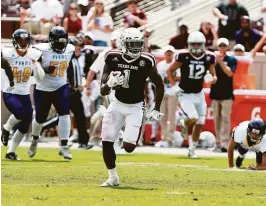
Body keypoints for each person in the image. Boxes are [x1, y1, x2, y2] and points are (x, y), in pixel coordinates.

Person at [99, 28, 164, 186]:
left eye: (138, 44)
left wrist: (156, 108)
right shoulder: (112, 57)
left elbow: (159, 84)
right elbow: (103, 90)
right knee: (106, 141)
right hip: (116, 104)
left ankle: (127, 133)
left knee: (128, 147)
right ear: (123, 43)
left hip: (135, 106)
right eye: (131, 44)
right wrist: (109, 84)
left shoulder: (146, 60)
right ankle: (113, 178)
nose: (135, 47)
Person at [167, 31, 217, 158]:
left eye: (197, 44)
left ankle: (192, 150)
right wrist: (174, 86)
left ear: (203, 44)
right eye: (193, 44)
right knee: (193, 117)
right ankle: (184, 122)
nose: (195, 47)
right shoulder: (183, 55)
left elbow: (214, 75)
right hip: (185, 94)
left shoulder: (209, 57)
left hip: (199, 93)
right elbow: (170, 70)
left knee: (200, 122)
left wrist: (211, 78)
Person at [28, 26, 75, 160]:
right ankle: (35, 140)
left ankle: (64, 146)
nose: (61, 45)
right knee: (40, 118)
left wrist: (71, 82)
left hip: (61, 85)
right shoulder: (39, 50)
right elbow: (30, 70)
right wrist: (44, 69)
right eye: (57, 42)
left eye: (63, 42)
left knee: (65, 114)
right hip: (43, 87)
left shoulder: (70, 49)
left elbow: (70, 65)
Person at [1, 29, 45, 160]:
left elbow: (40, 78)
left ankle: (11, 152)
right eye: (21, 40)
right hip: (10, 91)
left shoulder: (34, 54)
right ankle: (6, 128)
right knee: (20, 114)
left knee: (26, 122)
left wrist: (36, 65)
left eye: (26, 40)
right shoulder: (7, 53)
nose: (24, 43)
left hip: (24, 93)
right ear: (15, 41)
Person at [210, 38, 237, 153]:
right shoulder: (212, 60)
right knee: (217, 119)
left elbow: (230, 73)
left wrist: (220, 62)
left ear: (227, 47)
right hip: (216, 93)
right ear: (217, 46)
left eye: (223, 45)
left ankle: (225, 143)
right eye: (220, 45)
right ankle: (218, 142)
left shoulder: (231, 59)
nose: (221, 47)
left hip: (227, 94)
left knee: (225, 118)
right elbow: (210, 74)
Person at [67, 37, 94, 149]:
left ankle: (83, 141)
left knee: (80, 116)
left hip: (75, 91)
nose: (78, 48)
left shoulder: (74, 59)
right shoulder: (68, 60)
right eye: (76, 46)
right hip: (67, 90)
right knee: (63, 116)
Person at [155, 45, 179, 148]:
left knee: (171, 116)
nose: (169, 55)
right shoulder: (160, 65)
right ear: (164, 54)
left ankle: (170, 139)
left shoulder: (176, 64)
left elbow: (179, 77)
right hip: (162, 92)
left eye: (170, 53)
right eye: (167, 53)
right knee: (162, 116)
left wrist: (170, 78)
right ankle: (163, 138)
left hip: (172, 92)